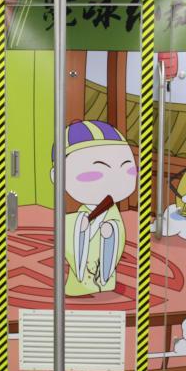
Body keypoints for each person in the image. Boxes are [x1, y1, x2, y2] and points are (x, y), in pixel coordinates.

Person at [57, 120, 137, 296]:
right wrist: (81, 227)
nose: (114, 180)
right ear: (57, 176)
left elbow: (118, 233)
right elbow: (70, 232)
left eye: (126, 168)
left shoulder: (112, 212)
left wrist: (110, 232)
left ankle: (104, 280)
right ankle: (81, 284)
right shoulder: (79, 214)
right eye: (97, 172)